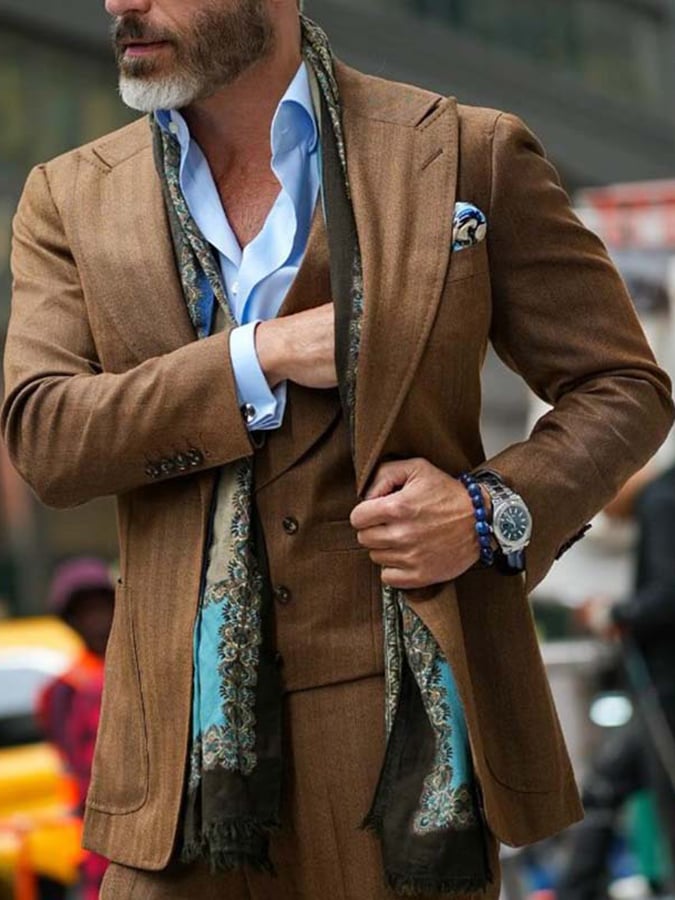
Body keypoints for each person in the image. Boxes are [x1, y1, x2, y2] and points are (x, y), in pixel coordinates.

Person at [2, 1, 673, 898]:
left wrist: (485, 512)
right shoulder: (70, 194)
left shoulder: (464, 151)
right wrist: (258, 356)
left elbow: (621, 385)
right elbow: (45, 436)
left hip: (400, 745)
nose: (123, 2)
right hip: (172, 764)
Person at [558, 463, 675, 899]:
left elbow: (668, 596)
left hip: (666, 690)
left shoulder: (661, 499)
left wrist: (614, 614)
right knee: (609, 781)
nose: (604, 512)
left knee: (657, 797)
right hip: (661, 687)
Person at [38, 557, 114, 900]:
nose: (97, 621)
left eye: (101, 608)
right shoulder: (62, 691)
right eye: (85, 613)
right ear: (71, 622)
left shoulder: (141, 671)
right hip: (95, 837)